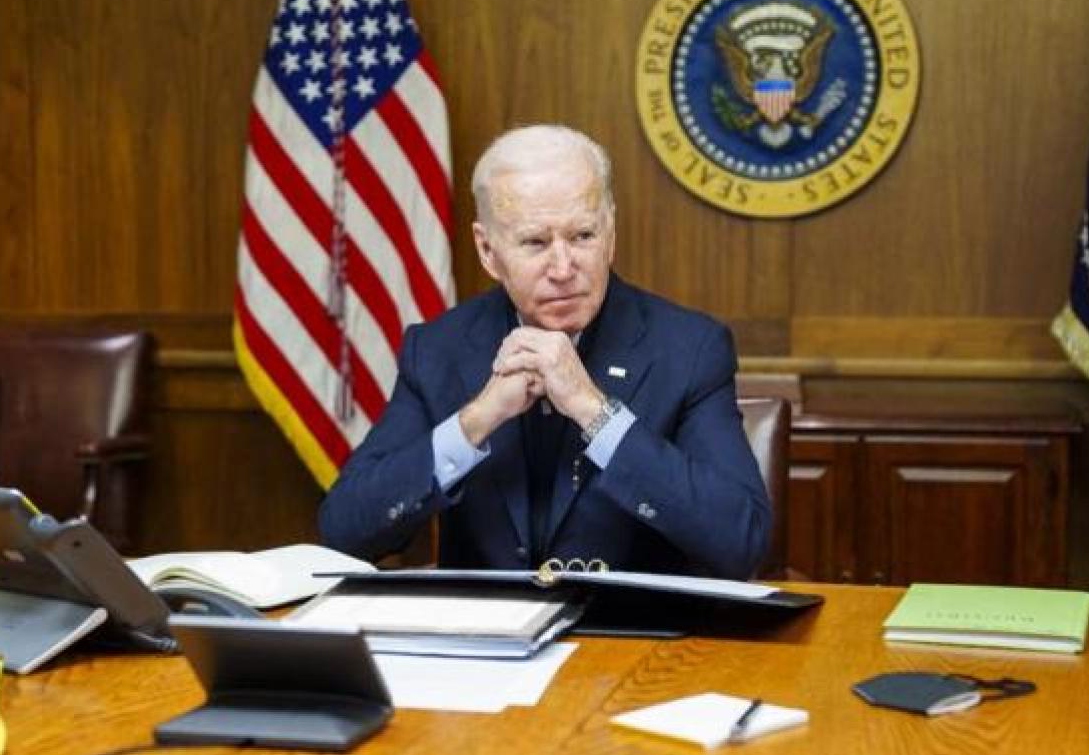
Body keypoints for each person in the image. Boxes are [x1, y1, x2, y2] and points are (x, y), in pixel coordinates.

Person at [318, 124, 770, 579]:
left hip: (631, 622)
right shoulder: (438, 349)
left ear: (610, 233)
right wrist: (477, 419)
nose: (563, 268)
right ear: (488, 250)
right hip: (489, 624)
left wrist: (595, 412)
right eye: (535, 242)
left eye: (583, 236)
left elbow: (742, 540)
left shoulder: (689, 348)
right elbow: (343, 531)